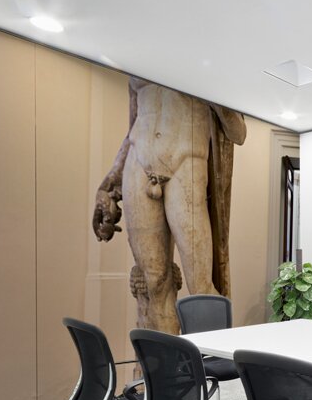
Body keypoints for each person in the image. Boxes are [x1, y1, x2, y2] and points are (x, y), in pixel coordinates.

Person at [93, 76, 246, 333]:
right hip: (137, 164)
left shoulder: (204, 65)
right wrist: (109, 182)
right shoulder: (137, 68)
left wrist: (216, 97)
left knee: (201, 286)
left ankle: (208, 364)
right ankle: (166, 367)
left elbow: (238, 133)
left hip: (186, 164)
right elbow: (133, 128)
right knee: (154, 282)